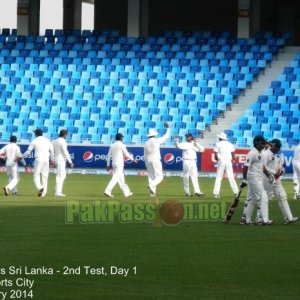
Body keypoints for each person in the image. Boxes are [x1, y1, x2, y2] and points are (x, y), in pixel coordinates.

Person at [262, 139, 298, 224]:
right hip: (267, 180)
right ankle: (261, 218)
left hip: (277, 179)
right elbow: (262, 167)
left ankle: (289, 218)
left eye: (279, 147)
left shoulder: (280, 153)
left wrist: (282, 171)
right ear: (272, 145)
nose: (278, 149)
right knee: (265, 199)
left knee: (283, 197)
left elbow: (283, 165)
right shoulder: (265, 154)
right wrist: (271, 175)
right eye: (276, 147)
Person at [240, 135, 271, 225]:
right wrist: (244, 179)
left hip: (258, 177)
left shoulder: (260, 152)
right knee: (263, 197)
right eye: (263, 143)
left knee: (252, 199)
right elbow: (246, 166)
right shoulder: (252, 153)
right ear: (257, 143)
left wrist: (268, 174)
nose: (264, 145)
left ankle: (247, 220)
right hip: (253, 178)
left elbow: (261, 166)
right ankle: (264, 220)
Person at [22, 128, 55, 197]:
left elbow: (28, 152)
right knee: (45, 176)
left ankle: (40, 188)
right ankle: (43, 194)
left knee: (36, 176)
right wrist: (52, 160)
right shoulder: (47, 140)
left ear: (36, 134)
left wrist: (21, 157)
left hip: (39, 159)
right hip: (46, 159)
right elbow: (52, 151)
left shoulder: (34, 141)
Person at [104, 133, 137, 198]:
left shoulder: (112, 145)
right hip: (119, 164)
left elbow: (108, 156)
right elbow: (127, 154)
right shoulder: (122, 145)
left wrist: (107, 165)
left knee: (121, 179)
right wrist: (133, 159)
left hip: (114, 164)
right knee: (115, 178)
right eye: (122, 137)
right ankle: (107, 191)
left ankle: (127, 193)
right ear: (121, 138)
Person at [174, 133, 205, 197]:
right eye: (186, 137)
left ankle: (197, 191)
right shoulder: (184, 144)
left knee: (195, 176)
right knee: (186, 176)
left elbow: (202, 150)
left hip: (193, 161)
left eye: (188, 137)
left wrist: (196, 144)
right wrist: (176, 141)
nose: (187, 138)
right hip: (186, 161)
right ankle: (187, 192)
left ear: (191, 137)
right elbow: (178, 146)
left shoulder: (194, 143)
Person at [144, 122, 170, 196]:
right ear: (154, 135)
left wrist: (146, 162)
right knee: (160, 176)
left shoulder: (146, 143)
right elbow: (166, 136)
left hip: (148, 160)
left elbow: (145, 154)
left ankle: (152, 193)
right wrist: (168, 128)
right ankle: (152, 185)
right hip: (155, 159)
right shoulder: (157, 140)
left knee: (151, 176)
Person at [212, 132, 239, 199]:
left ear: (220, 138)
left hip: (221, 160)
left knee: (219, 177)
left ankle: (216, 193)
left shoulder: (218, 144)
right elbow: (233, 153)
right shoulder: (230, 144)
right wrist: (233, 160)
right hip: (228, 161)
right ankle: (236, 193)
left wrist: (217, 160)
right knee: (231, 177)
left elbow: (215, 154)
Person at [52, 129, 74, 197]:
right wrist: (70, 161)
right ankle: (58, 192)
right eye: (66, 134)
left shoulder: (55, 141)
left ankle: (56, 189)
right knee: (60, 176)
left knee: (62, 175)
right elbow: (65, 151)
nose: (66, 135)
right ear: (64, 134)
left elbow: (52, 151)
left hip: (57, 159)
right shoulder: (63, 141)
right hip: (61, 160)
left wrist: (52, 159)